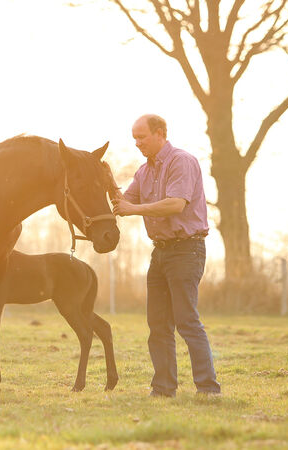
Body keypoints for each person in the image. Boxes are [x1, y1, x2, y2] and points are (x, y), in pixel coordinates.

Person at [111, 114, 221, 397]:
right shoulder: (144, 172)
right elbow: (125, 201)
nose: (137, 143)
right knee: (158, 325)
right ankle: (163, 389)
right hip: (159, 253)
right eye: (134, 138)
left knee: (186, 321)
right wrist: (105, 180)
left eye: (142, 137)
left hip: (187, 250)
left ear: (160, 134)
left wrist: (132, 210)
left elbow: (175, 204)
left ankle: (208, 389)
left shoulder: (181, 162)